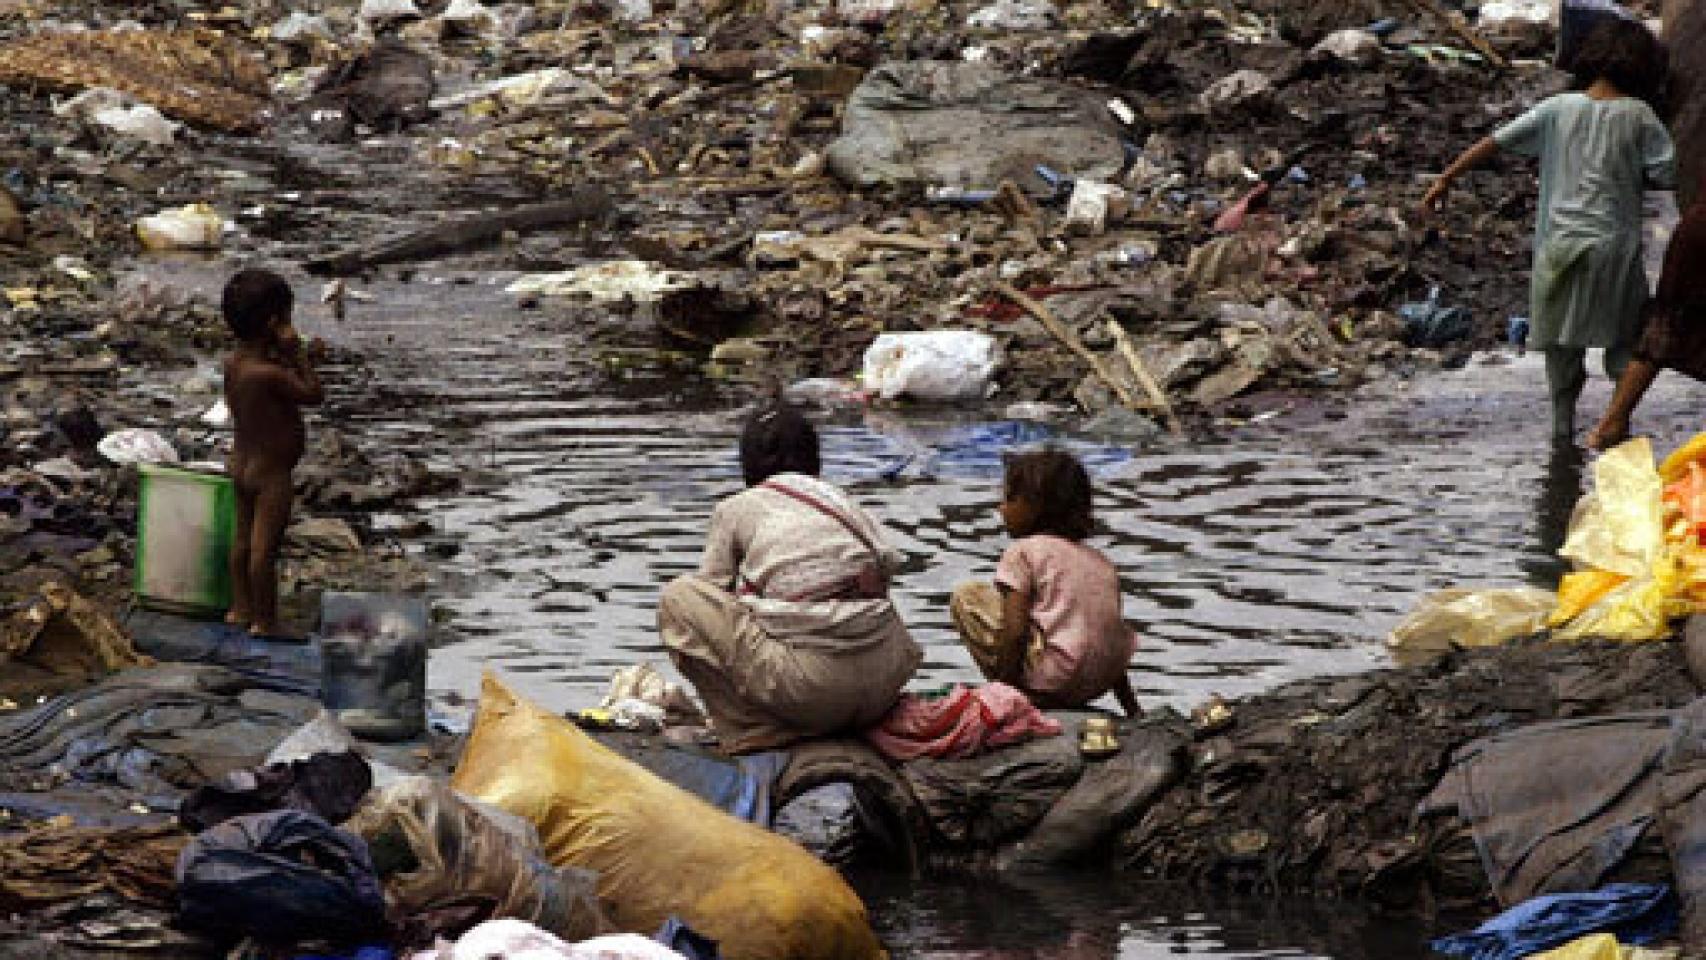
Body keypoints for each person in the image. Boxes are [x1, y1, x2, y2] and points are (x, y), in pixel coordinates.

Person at [1422, 18, 1676, 445]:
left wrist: (1445, 179)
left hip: (1557, 246)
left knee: (1561, 354)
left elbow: (1495, 141)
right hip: (1613, 249)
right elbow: (1666, 172)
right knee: (1623, 346)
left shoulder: (1556, 110)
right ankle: (1615, 431)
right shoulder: (1640, 116)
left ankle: (1562, 441)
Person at [657, 404, 921, 753]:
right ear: (815, 460)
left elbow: (713, 591)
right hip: (884, 684)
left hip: (813, 694)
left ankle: (746, 727)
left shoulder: (737, 507)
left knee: (680, 598)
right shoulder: (842, 501)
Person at [949, 448, 1141, 717]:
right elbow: (1108, 635)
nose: (1001, 508)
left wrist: (1000, 694)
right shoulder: (1101, 562)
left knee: (968, 596)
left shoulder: (1024, 551)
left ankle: (1014, 694)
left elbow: (1015, 632)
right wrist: (1132, 709)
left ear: (1033, 504)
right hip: (1096, 683)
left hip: (1052, 679)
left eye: (1009, 498)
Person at [221, 268, 325, 637]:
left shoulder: (235, 365)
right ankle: (266, 621)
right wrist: (298, 353)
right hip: (271, 473)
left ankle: (240, 607)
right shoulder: (271, 375)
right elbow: (314, 393)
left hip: (241, 463)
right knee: (264, 549)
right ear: (274, 322)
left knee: (242, 541)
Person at [1587, 182, 1706, 449]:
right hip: (1698, 239)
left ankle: (1610, 425)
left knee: (1665, 327)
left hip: (1695, 231)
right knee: (1669, 326)